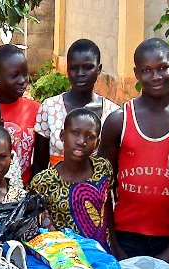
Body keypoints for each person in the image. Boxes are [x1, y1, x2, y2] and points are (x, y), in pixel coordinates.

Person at [98, 38, 169, 267]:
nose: (156, 76)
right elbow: (101, 186)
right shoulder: (119, 121)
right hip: (125, 237)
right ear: (136, 74)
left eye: (162, 67)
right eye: (147, 70)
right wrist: (115, 246)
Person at [33, 39, 118, 175]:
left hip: (96, 187)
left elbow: (114, 165)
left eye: (88, 67)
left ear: (99, 69)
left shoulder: (112, 114)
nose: (80, 73)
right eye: (73, 68)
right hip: (55, 186)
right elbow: (39, 162)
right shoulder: (49, 107)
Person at [30, 108, 112, 248]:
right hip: (64, 257)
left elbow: (107, 208)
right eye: (75, 133)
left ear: (97, 144)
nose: (81, 141)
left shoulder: (103, 168)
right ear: (62, 135)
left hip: (102, 253)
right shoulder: (43, 181)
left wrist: (114, 248)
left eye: (90, 136)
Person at [0, 44, 40, 184]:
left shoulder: (36, 110)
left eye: (25, 74)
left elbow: (40, 159)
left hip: (24, 188)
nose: (22, 81)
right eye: (14, 75)